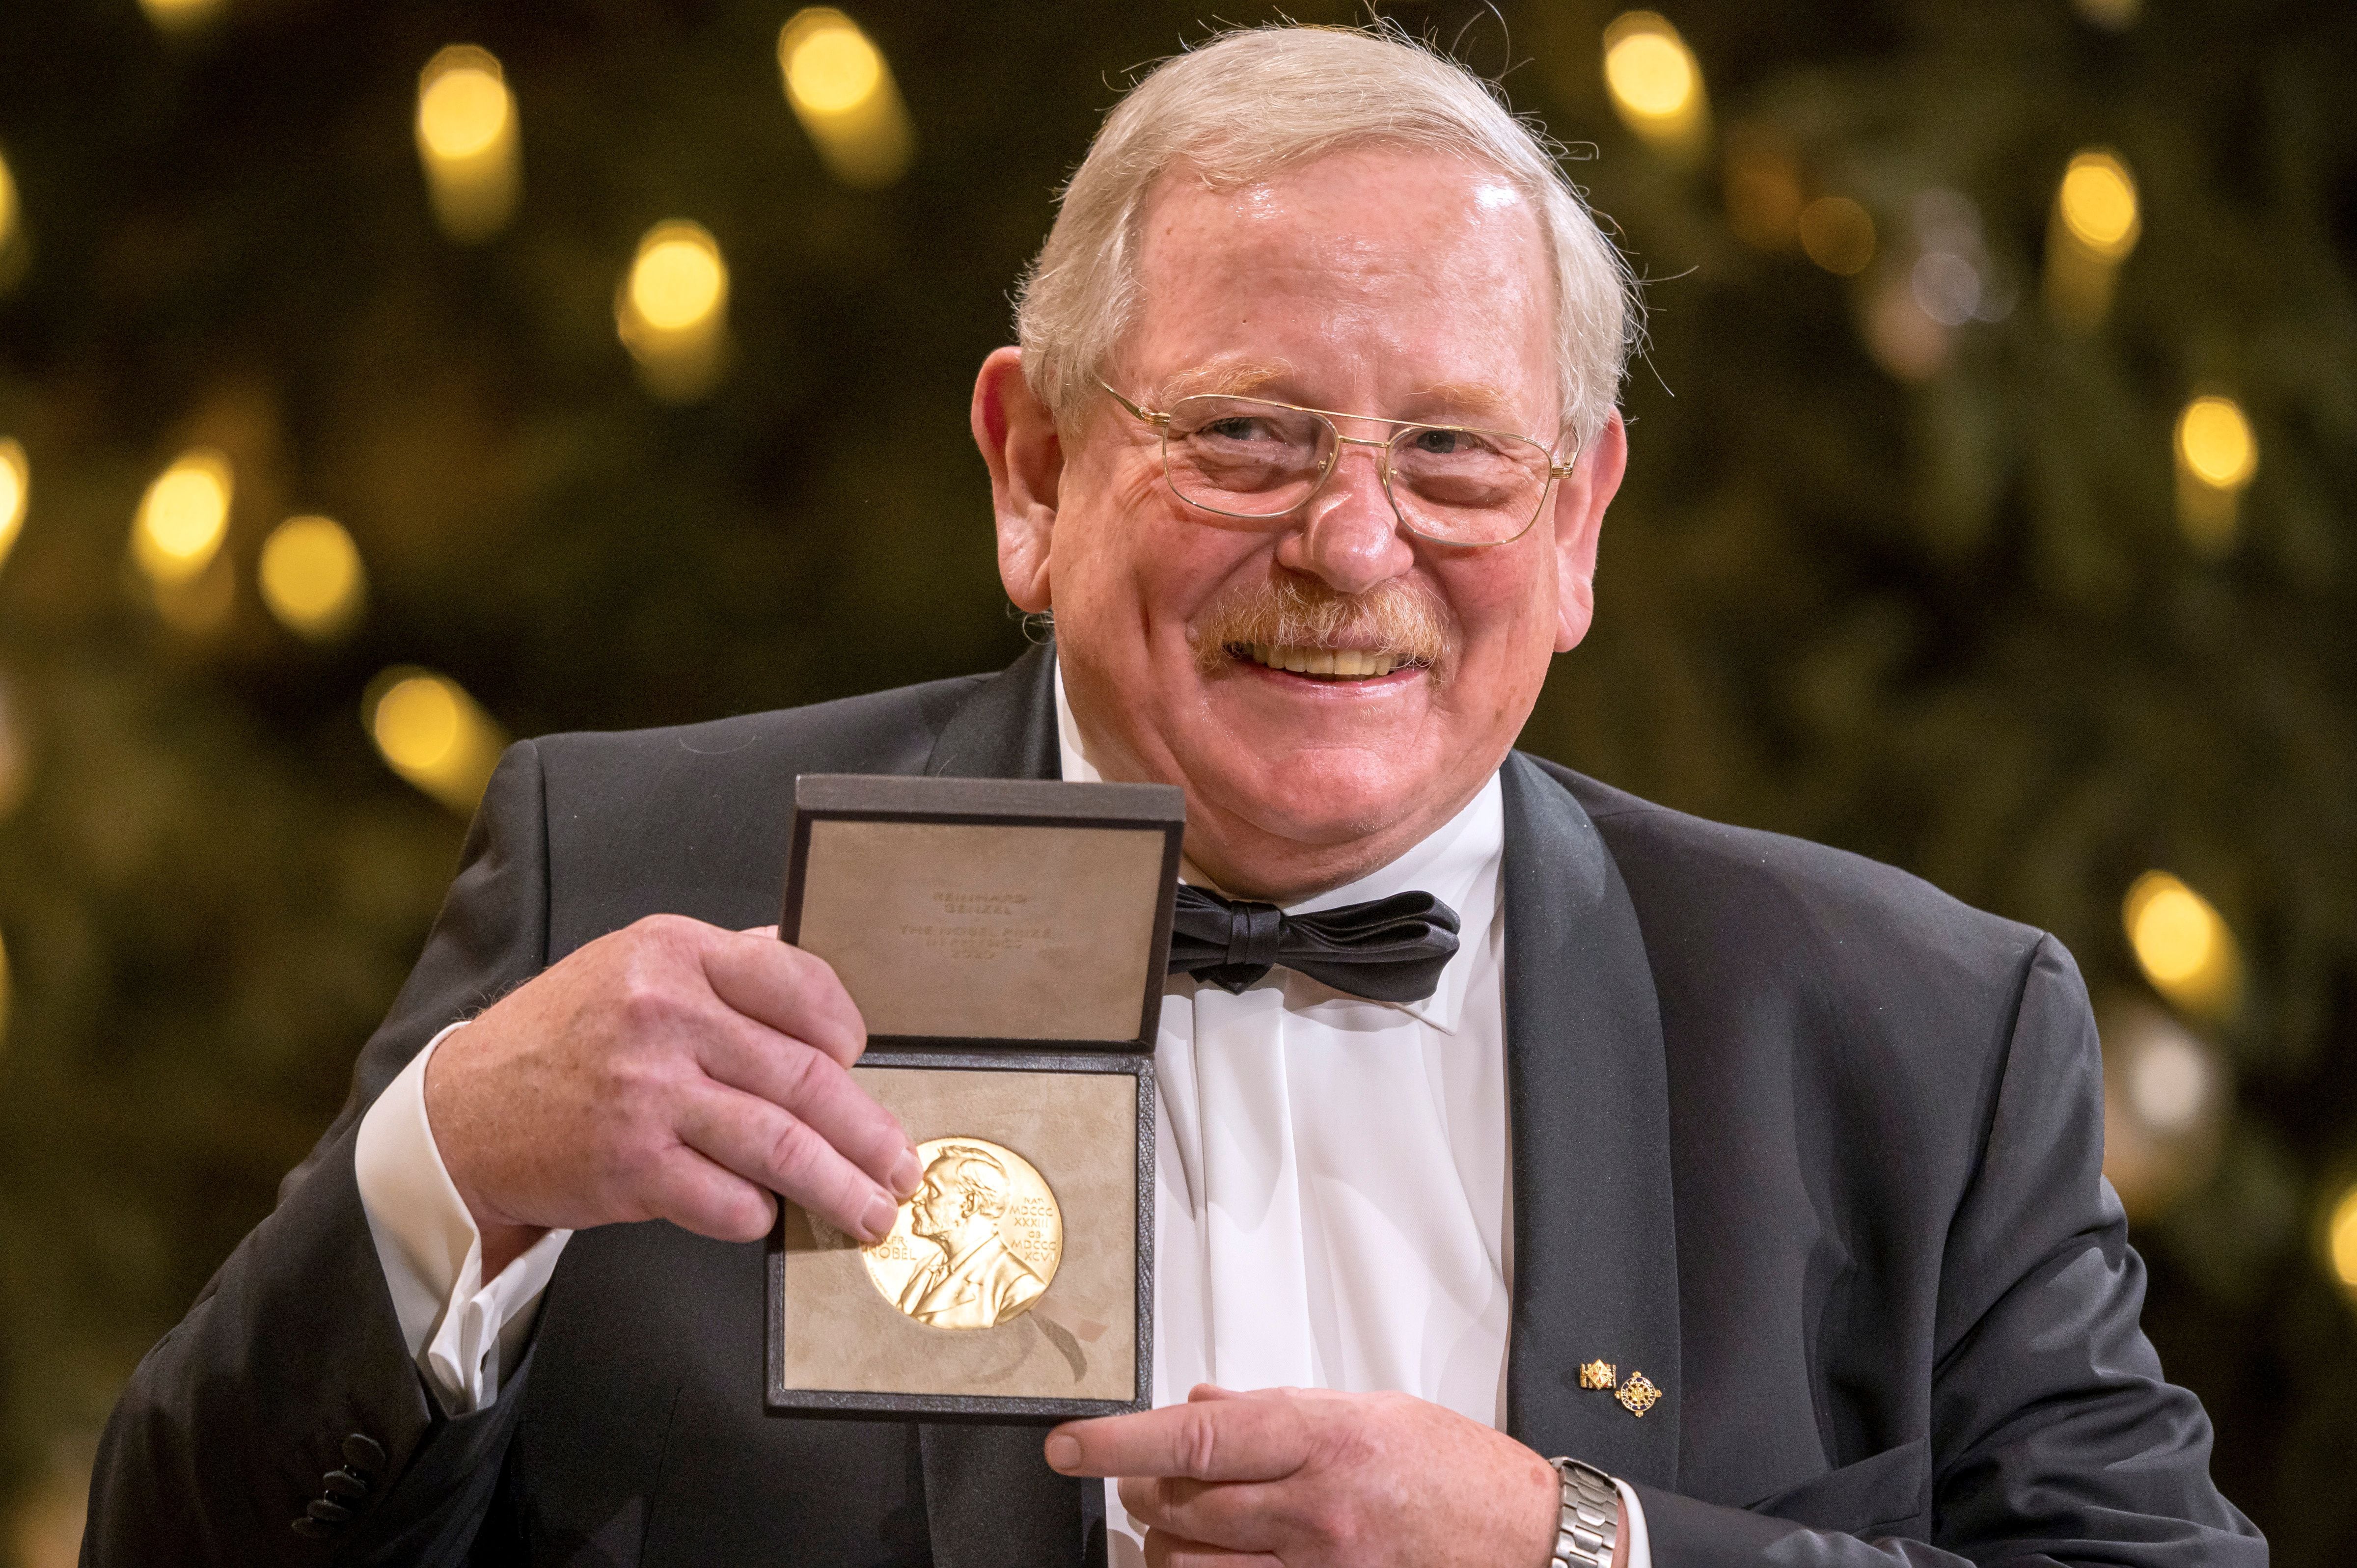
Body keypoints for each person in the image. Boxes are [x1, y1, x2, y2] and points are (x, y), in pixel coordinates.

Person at [83, 24, 2263, 1568]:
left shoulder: (1909, 1025)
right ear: (1031, 470)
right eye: (1244, 434)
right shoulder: (635, 889)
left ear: (1580, 517)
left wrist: (1573, 1542)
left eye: (1452, 451)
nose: (1348, 541)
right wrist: (451, 1162)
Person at [893, 1146, 1047, 1330]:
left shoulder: (1019, 1288)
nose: (917, 1197)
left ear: (968, 1205)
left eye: (933, 1190)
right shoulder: (924, 1269)